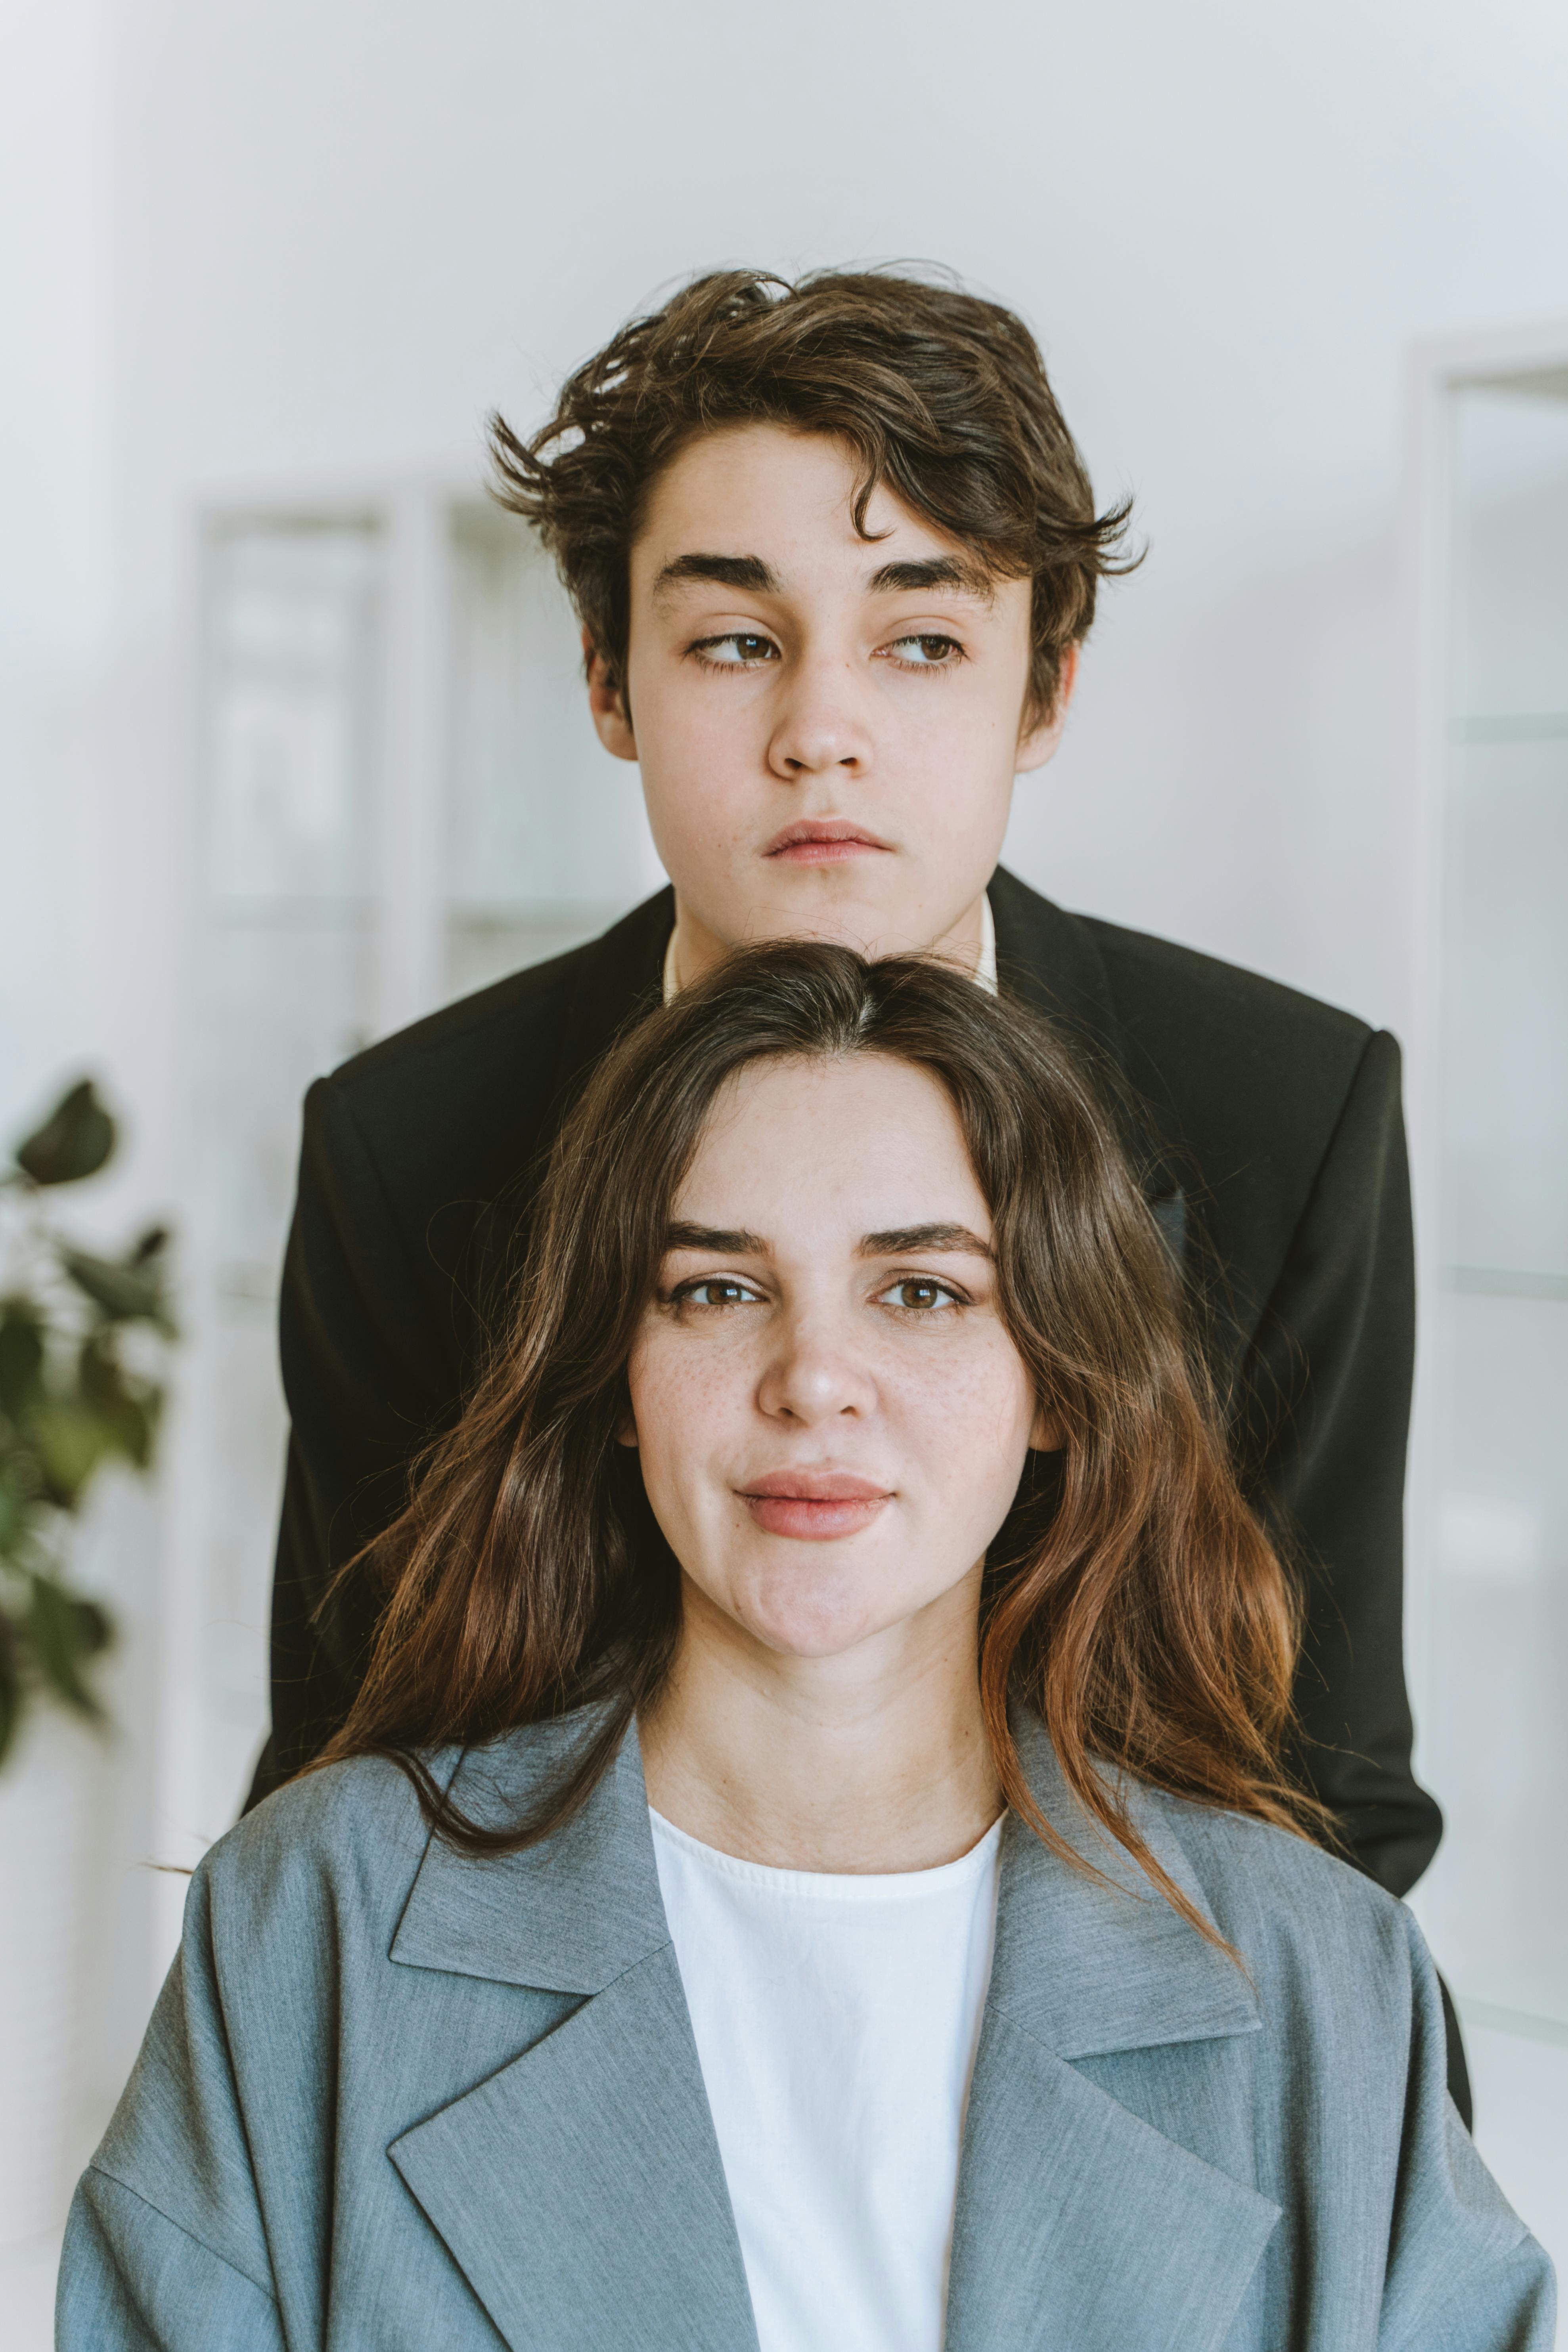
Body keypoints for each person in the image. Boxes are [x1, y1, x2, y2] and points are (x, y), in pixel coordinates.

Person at [252, 263, 1463, 2102]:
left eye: (920, 639)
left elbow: (1324, 1789)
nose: (821, 729)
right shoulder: (404, 1144)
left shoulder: (1279, 1110)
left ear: (1041, 686)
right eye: (735, 640)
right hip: (549, 2087)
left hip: (1115, 2077)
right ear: (607, 679)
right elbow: (350, 1754)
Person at [61, 949, 1550, 2351]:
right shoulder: (311, 1921)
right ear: (619, 1377)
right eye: (716, 1287)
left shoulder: (1320, 1979)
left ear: (1054, 1380)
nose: (813, 1377)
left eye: (922, 1291)